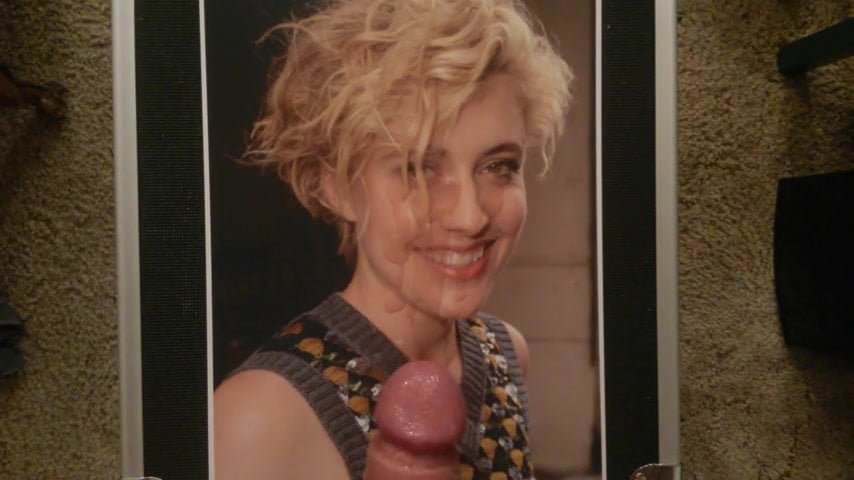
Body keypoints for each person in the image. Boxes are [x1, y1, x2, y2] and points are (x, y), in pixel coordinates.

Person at [214, 0, 572, 479]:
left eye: (498, 166)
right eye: (417, 169)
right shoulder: (258, 418)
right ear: (335, 187)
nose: (470, 216)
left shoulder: (506, 356)